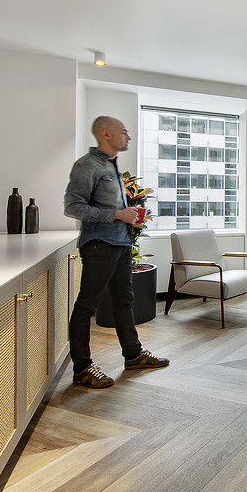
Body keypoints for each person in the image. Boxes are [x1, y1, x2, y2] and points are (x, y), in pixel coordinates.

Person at [63, 116, 170, 389]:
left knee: (125, 300)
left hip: (120, 244)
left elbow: (113, 212)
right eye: (124, 133)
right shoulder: (87, 166)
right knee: (87, 305)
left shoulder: (110, 166)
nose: (128, 138)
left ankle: (133, 355)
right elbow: (73, 207)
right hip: (99, 245)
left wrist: (128, 218)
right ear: (106, 134)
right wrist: (117, 214)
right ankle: (83, 369)